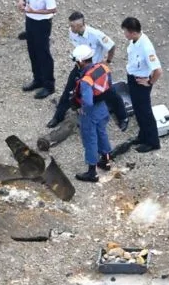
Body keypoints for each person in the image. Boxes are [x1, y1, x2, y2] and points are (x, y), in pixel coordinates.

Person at [47, 11, 128, 131]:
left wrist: (107, 62)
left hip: (95, 69)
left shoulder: (95, 34)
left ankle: (123, 117)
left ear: (80, 25)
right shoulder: (72, 33)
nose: (70, 28)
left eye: (72, 26)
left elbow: (111, 46)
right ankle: (58, 116)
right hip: (81, 66)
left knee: (108, 92)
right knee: (69, 90)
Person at [71, 46, 114, 183]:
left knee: (90, 139)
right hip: (103, 108)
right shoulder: (104, 68)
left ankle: (92, 172)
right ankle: (106, 161)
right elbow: (109, 86)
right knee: (102, 133)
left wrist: (82, 108)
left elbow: (88, 102)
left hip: (90, 112)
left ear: (81, 61)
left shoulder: (86, 80)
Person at [121, 17, 162, 153]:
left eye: (126, 32)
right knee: (138, 110)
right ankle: (143, 135)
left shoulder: (146, 47)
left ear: (132, 32)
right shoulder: (134, 41)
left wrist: (149, 82)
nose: (124, 34)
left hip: (141, 82)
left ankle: (152, 141)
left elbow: (158, 70)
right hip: (133, 78)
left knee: (145, 112)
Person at [18, 0, 56, 99]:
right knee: (32, 50)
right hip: (30, 20)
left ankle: (49, 85)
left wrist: (35, 11)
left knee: (43, 53)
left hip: (42, 23)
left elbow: (52, 9)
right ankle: (37, 79)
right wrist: (21, 0)